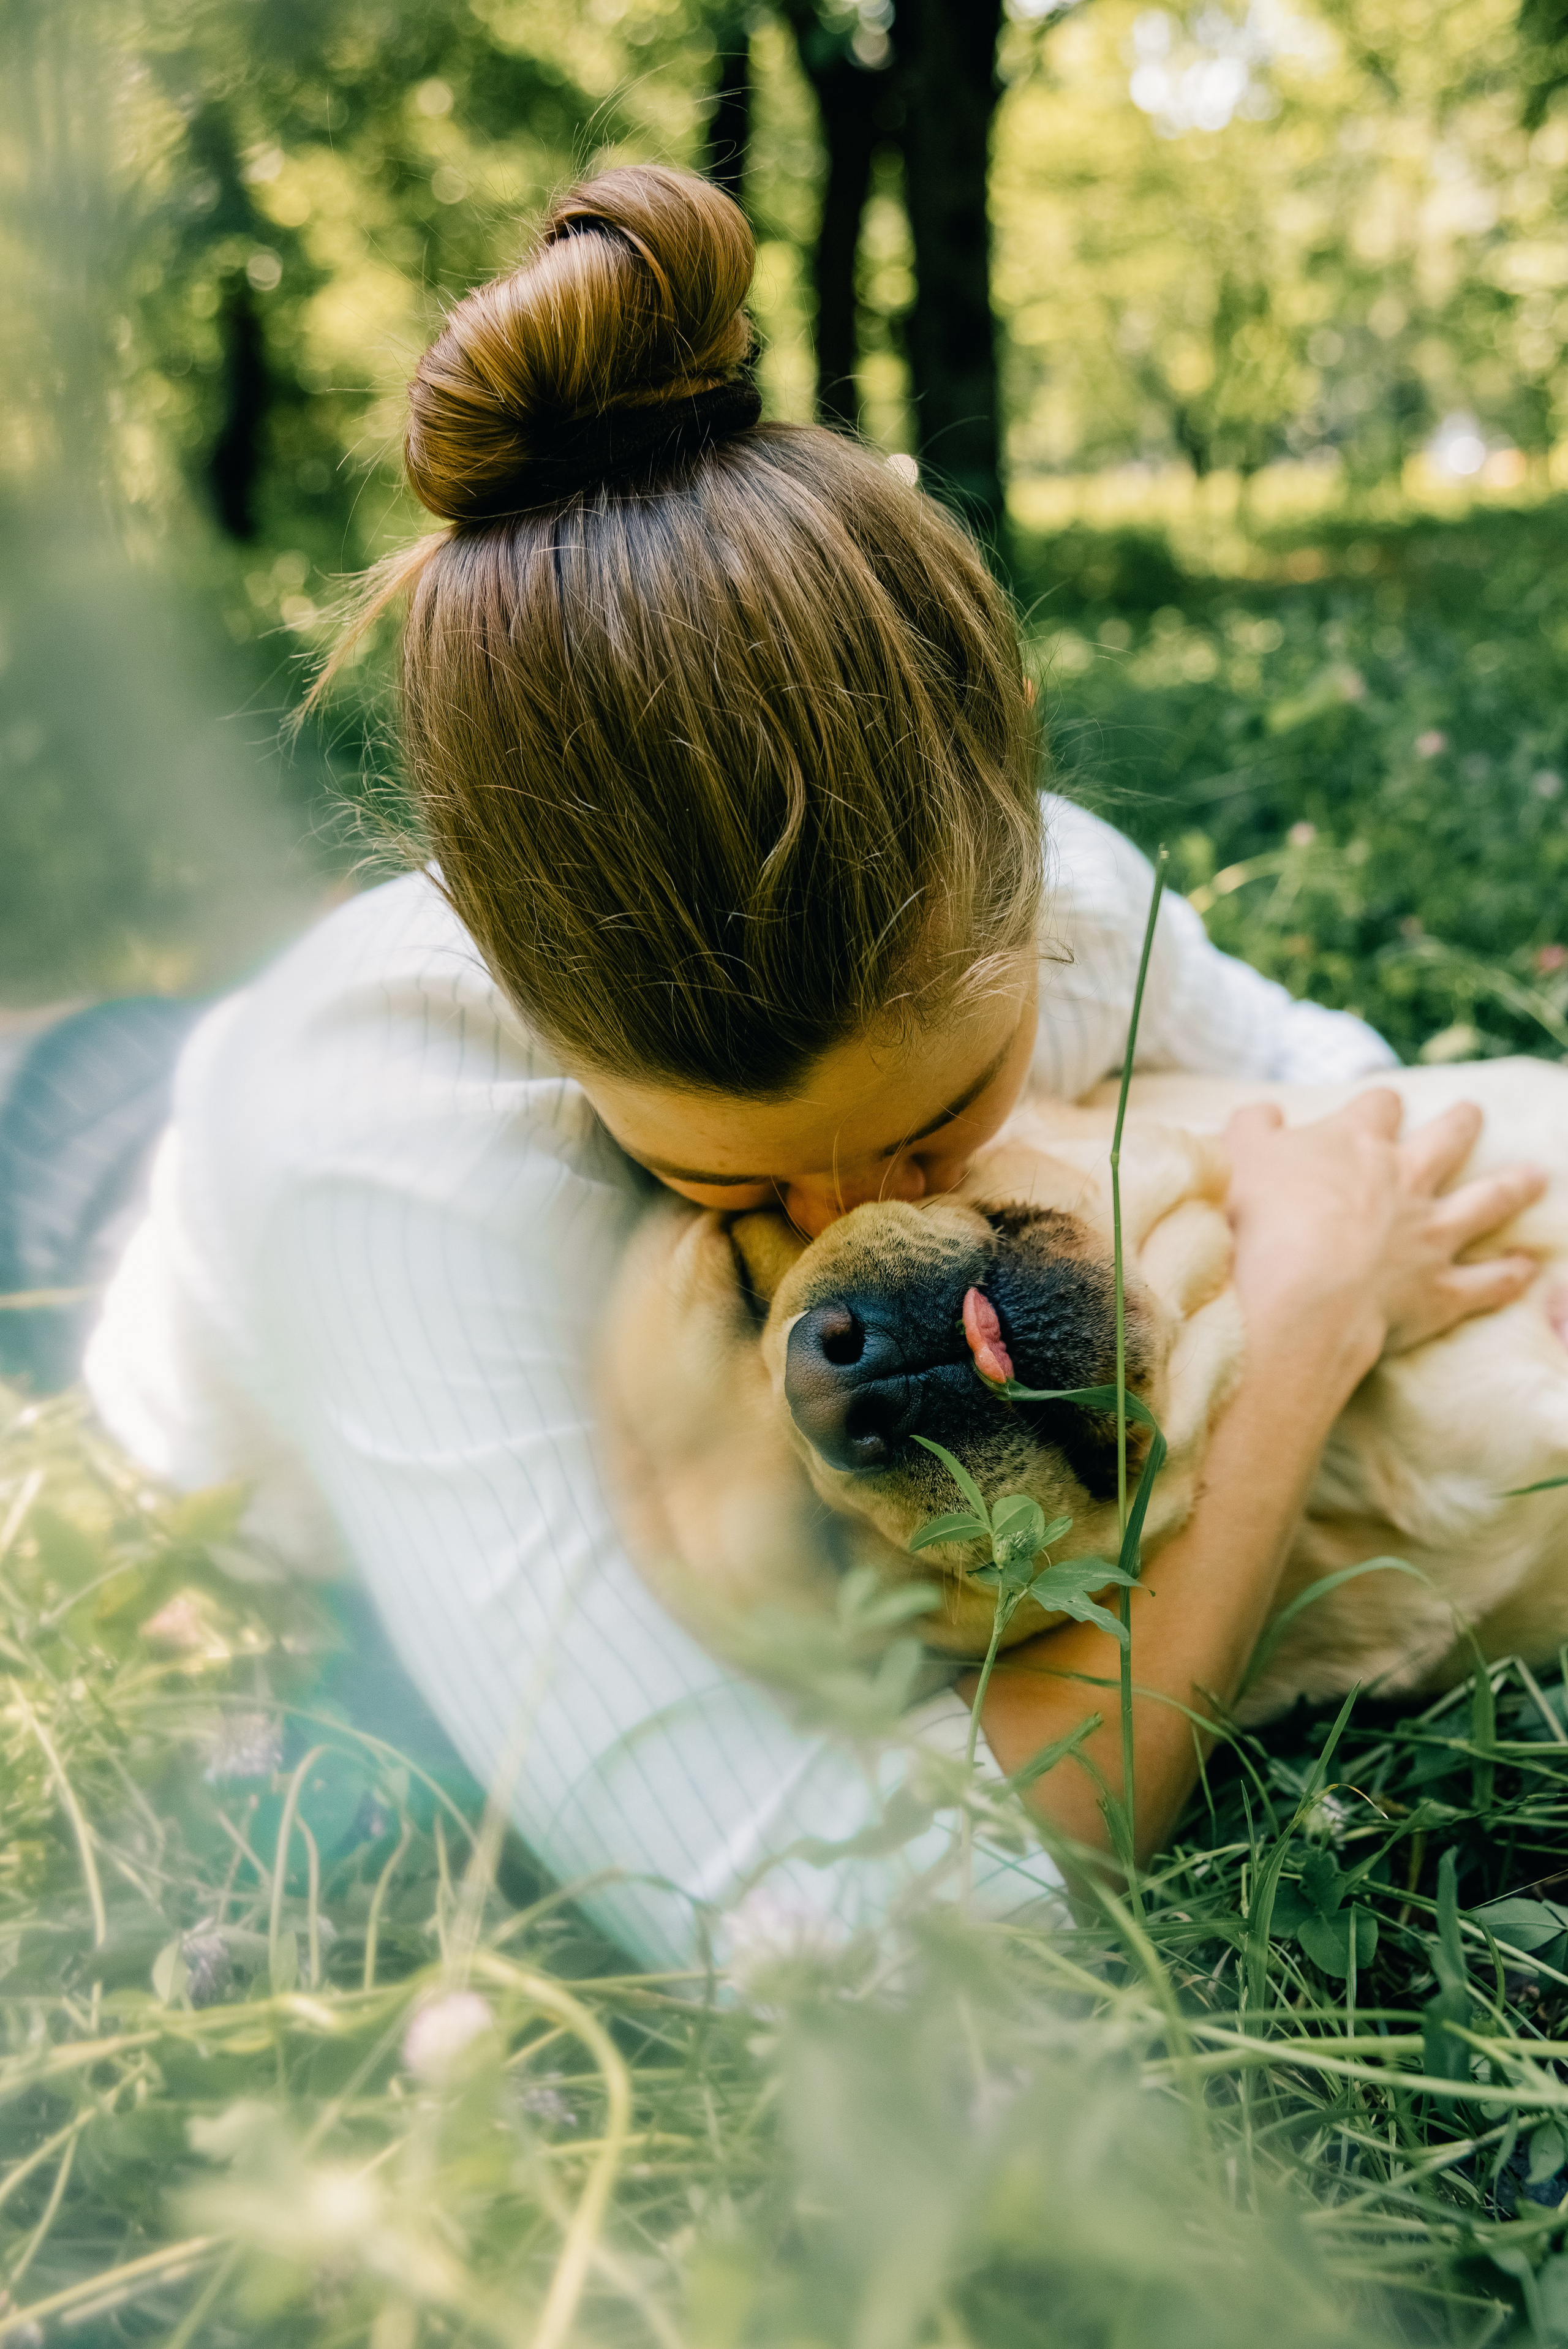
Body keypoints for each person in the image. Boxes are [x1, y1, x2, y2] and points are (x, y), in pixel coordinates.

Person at [78, 165, 1542, 1964]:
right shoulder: (386, 1177)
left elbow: (1335, 1093)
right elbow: (833, 1921)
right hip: (108, 1195)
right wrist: (1305, 1343)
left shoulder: (1054, 893)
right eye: (731, 1176)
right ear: (533, 1002)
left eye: (937, 1122)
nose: (875, 1224)